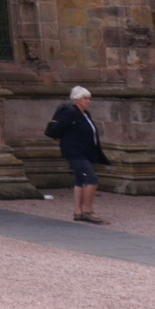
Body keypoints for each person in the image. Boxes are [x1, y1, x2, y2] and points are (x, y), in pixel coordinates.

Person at [49, 85, 111, 224]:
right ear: (77, 99)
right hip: (75, 152)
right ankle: (88, 210)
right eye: (85, 98)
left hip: (85, 151)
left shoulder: (85, 113)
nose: (88, 101)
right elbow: (58, 129)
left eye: (89, 98)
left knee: (80, 181)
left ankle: (78, 211)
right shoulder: (70, 112)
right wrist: (62, 141)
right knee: (91, 179)